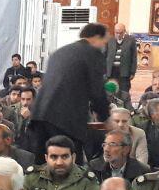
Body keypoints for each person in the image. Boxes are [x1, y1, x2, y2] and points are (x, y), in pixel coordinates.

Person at [29, 23, 110, 156]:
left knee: (43, 162)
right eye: (104, 42)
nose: (103, 46)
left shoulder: (59, 52)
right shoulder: (92, 53)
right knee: (69, 164)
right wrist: (106, 118)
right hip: (66, 119)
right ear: (96, 37)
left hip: (40, 116)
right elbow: (97, 91)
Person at [105, 22, 137, 94]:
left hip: (124, 72)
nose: (118, 35)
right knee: (110, 91)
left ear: (124, 31)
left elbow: (134, 57)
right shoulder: (109, 40)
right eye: (116, 33)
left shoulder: (131, 40)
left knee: (124, 91)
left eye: (120, 33)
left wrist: (132, 72)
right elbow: (104, 55)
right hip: (111, 71)